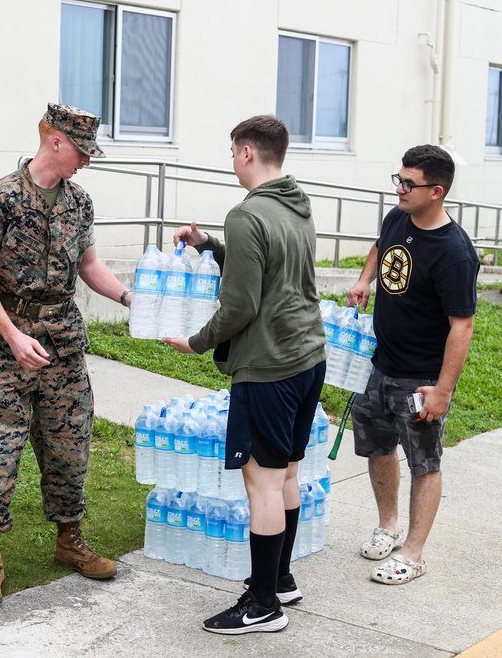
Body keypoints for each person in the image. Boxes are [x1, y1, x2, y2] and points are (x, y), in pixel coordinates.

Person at [0, 103, 132, 608]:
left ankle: (69, 540)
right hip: (4, 347)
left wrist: (128, 298)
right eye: (82, 150)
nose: (87, 161)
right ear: (55, 141)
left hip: (62, 343)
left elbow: (90, 265)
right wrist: (13, 335)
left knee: (69, 444)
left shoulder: (80, 203)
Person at [165, 114, 326, 634]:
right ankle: (279, 580)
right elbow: (265, 263)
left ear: (247, 153)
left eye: (233, 152)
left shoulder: (247, 213)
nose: (232, 161)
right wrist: (210, 244)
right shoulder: (295, 206)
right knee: (288, 475)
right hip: (308, 357)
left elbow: (238, 305)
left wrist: (196, 342)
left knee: (262, 483)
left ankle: (261, 606)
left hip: (269, 366)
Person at [346, 144, 478, 585]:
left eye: (409, 184)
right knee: (378, 447)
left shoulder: (454, 252)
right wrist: (366, 279)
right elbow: (381, 247)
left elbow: (462, 327)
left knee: (424, 461)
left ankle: (415, 553)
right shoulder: (398, 217)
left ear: (436, 191)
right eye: (398, 180)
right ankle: (389, 525)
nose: (399, 189)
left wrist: (441, 391)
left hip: (420, 377)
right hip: (378, 363)